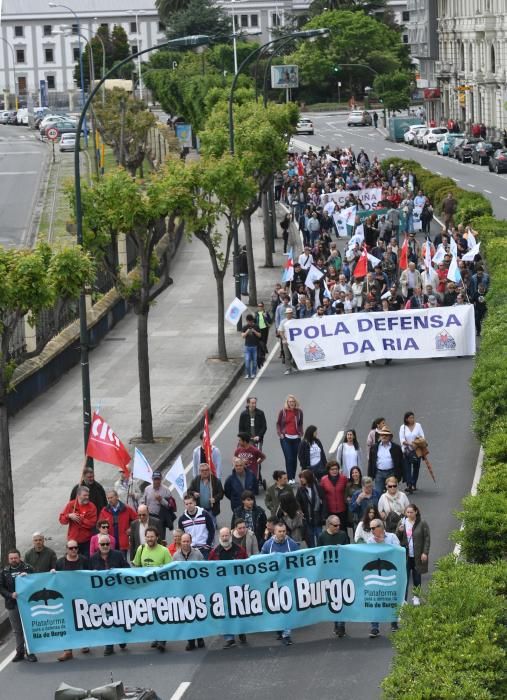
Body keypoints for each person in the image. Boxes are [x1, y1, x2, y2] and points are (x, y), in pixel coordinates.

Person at [132, 527, 172, 652]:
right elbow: (136, 566)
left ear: (157, 537)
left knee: (161, 613)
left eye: (152, 536)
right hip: (146, 588)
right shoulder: (141, 549)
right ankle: (156, 636)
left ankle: (162, 640)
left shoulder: (164, 551)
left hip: (161, 588)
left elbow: (170, 570)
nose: (149, 539)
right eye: (147, 537)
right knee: (151, 614)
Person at [89, 534, 129, 656]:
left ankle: (122, 638)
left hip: (117, 593)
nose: (105, 546)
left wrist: (117, 572)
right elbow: (87, 576)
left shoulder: (118, 555)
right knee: (107, 620)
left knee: (120, 618)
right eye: (102, 544)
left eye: (107, 544)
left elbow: (127, 569)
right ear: (98, 546)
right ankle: (109, 645)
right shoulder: (93, 559)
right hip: (102, 595)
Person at [261, 522, 300, 646]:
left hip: (288, 582)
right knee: (276, 607)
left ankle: (286, 634)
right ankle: (279, 629)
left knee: (287, 607)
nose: (282, 534)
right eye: (280, 531)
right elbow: (262, 562)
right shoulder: (268, 545)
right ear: (274, 532)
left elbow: (299, 560)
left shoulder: (292, 544)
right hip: (273, 582)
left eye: (284, 531)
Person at [209, 527, 248, 648]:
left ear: (230, 536)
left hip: (238, 588)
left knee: (239, 611)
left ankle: (241, 631)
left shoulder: (240, 550)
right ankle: (229, 638)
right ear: (219, 537)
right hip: (222, 590)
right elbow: (209, 571)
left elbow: (247, 566)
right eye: (222, 536)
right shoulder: (214, 553)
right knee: (225, 614)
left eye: (226, 535)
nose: (225, 538)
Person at [54, 540, 90, 661]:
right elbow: (54, 579)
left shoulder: (84, 560)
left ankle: (84, 643)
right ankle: (68, 650)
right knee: (68, 623)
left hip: (82, 596)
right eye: (71, 548)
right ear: (66, 549)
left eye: (76, 547)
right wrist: (52, 573)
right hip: (66, 598)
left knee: (82, 620)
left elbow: (91, 575)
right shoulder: (60, 562)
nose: (74, 550)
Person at [0, 549, 37, 662]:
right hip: (12, 604)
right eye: (11, 558)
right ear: (8, 559)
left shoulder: (28, 568)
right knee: (17, 630)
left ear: (20, 557)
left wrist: (29, 576)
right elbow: (1, 588)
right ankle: (20, 652)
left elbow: (37, 581)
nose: (13, 560)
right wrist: (11, 595)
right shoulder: (4, 571)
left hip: (27, 604)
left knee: (28, 629)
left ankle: (30, 652)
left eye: (15, 558)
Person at [366, 519, 400, 638]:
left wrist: (383, 544)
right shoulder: (370, 541)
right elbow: (369, 555)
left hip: (391, 574)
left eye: (373, 528)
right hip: (376, 575)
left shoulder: (392, 537)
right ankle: (375, 627)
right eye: (370, 528)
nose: (371, 531)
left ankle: (394, 623)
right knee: (375, 600)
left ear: (381, 527)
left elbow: (398, 552)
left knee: (391, 599)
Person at [172, 533, 206, 651]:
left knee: (198, 615)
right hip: (184, 591)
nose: (186, 543)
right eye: (184, 541)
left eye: (187, 541)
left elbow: (204, 570)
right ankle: (191, 641)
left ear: (191, 541)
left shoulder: (197, 554)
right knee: (188, 616)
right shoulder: (176, 556)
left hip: (196, 590)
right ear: (180, 542)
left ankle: (200, 638)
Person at [317, 516, 349, 636]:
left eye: (339, 525)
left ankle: (341, 624)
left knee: (342, 597)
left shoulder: (343, 535)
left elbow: (349, 550)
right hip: (329, 572)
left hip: (342, 571)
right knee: (333, 598)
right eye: (335, 525)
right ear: (328, 525)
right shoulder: (322, 537)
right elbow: (319, 553)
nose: (338, 527)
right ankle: (336, 622)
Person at [398, 503, 431, 605]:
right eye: (407, 512)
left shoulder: (422, 523)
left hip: (417, 555)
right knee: (405, 578)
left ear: (416, 512)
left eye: (411, 512)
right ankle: (404, 599)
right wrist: (399, 531)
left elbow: (427, 538)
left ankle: (416, 597)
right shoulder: (402, 522)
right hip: (406, 556)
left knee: (417, 577)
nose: (409, 514)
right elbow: (396, 538)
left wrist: (425, 552)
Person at [58, 485, 97, 558]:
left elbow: (92, 524)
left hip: (86, 541)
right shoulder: (71, 505)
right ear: (78, 495)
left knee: (86, 562)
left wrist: (80, 518)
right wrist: (69, 516)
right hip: (73, 541)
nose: (87, 497)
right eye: (85, 495)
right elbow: (62, 520)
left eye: (88, 495)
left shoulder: (92, 507)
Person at [99, 489, 137, 558]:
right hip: (110, 540)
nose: (110, 500)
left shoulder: (127, 508)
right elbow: (100, 524)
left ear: (117, 497)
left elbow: (137, 520)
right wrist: (104, 528)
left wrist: (131, 528)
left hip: (123, 540)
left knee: (123, 560)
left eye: (111, 497)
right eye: (108, 498)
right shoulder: (104, 510)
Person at [367, 425, 404, 495]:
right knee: (378, 493)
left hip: (391, 473)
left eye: (386, 435)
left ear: (390, 437)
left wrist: (400, 476)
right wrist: (370, 476)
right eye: (382, 435)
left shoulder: (396, 448)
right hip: (379, 473)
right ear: (380, 436)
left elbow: (401, 462)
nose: (384, 437)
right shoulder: (374, 447)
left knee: (392, 492)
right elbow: (371, 462)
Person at [178, 493, 215, 559]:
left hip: (204, 549)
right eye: (187, 504)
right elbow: (181, 535)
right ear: (184, 505)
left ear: (195, 503)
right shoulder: (182, 519)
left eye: (190, 503)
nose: (189, 505)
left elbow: (211, 530)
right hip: (190, 550)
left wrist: (208, 545)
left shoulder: (204, 514)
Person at [276, 394, 304, 484]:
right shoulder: (283, 412)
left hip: (296, 438)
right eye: (290, 402)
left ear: (295, 402)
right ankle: (289, 478)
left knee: (294, 458)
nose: (291, 403)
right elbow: (278, 424)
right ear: (287, 403)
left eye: (293, 401)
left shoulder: (299, 412)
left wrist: (300, 432)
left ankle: (292, 478)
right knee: (289, 458)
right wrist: (280, 434)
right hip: (285, 438)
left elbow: (300, 424)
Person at [139, 470, 177, 535]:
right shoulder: (147, 489)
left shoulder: (166, 490)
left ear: (161, 479)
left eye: (158, 479)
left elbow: (170, 506)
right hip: (149, 517)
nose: (156, 481)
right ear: (152, 479)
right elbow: (143, 501)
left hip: (160, 518)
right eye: (155, 479)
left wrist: (161, 500)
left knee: (160, 537)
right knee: (149, 536)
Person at [296, 469, 326, 547]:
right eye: (300, 478)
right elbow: (297, 502)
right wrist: (299, 511)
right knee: (310, 542)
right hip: (307, 519)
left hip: (317, 518)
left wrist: (323, 516)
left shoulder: (318, 488)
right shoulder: (300, 490)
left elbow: (323, 502)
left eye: (303, 477)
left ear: (308, 478)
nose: (301, 479)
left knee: (320, 540)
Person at [189, 462, 224, 527]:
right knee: (201, 528)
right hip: (199, 510)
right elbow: (189, 491)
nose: (205, 472)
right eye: (202, 470)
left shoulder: (215, 480)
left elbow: (221, 493)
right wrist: (194, 493)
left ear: (209, 470)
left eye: (206, 470)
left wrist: (215, 499)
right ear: (199, 471)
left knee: (212, 528)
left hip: (211, 510)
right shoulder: (196, 480)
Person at [399, 412, 425, 494]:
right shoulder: (403, 427)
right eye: (410, 418)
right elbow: (402, 440)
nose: (412, 419)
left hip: (417, 450)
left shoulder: (418, 426)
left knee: (416, 467)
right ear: (406, 419)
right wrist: (410, 444)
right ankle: (409, 484)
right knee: (407, 468)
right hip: (407, 451)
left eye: (413, 417)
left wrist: (416, 443)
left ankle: (414, 483)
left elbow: (422, 437)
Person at [319, 461, 348, 528]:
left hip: (342, 510)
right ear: (328, 470)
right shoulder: (323, 480)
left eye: (336, 469)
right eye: (332, 469)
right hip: (330, 510)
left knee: (343, 529)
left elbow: (347, 491)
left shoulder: (344, 479)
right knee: (332, 530)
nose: (334, 471)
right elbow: (321, 495)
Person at [242, 314, 262, 379]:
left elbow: (259, 335)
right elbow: (243, 336)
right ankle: (248, 374)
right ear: (247, 321)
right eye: (248, 321)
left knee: (254, 361)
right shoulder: (245, 327)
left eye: (251, 321)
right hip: (247, 346)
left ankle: (253, 373)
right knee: (247, 361)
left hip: (255, 346)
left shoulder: (256, 326)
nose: (250, 323)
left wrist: (254, 331)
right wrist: (247, 331)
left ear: (252, 321)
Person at [278, 306, 297, 374]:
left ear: (292, 313)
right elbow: (281, 331)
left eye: (290, 313)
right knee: (287, 355)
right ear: (286, 314)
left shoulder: (295, 321)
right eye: (288, 313)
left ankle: (294, 366)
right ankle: (288, 368)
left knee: (294, 354)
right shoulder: (283, 321)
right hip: (286, 340)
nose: (289, 314)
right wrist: (284, 339)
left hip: (294, 340)